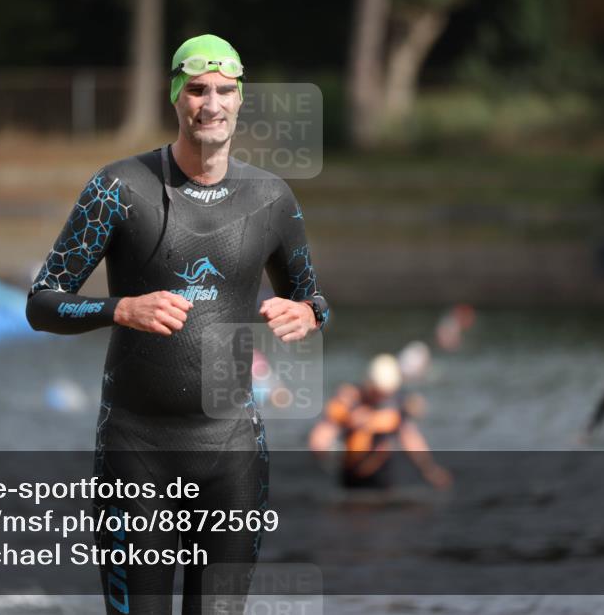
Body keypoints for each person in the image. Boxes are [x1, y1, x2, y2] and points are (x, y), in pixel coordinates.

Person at [26, 34, 328, 615]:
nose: (210, 103)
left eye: (223, 90)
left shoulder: (271, 198)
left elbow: (311, 296)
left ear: (240, 100)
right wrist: (119, 308)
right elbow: (42, 303)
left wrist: (307, 313)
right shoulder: (118, 189)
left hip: (233, 453)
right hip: (135, 451)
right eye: (196, 90)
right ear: (176, 97)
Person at [308, 354, 451, 491]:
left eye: (385, 394)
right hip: (350, 477)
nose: (381, 398)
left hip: (384, 477)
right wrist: (325, 448)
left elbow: (410, 438)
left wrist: (429, 469)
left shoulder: (396, 405)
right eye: (377, 392)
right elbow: (322, 435)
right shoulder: (349, 401)